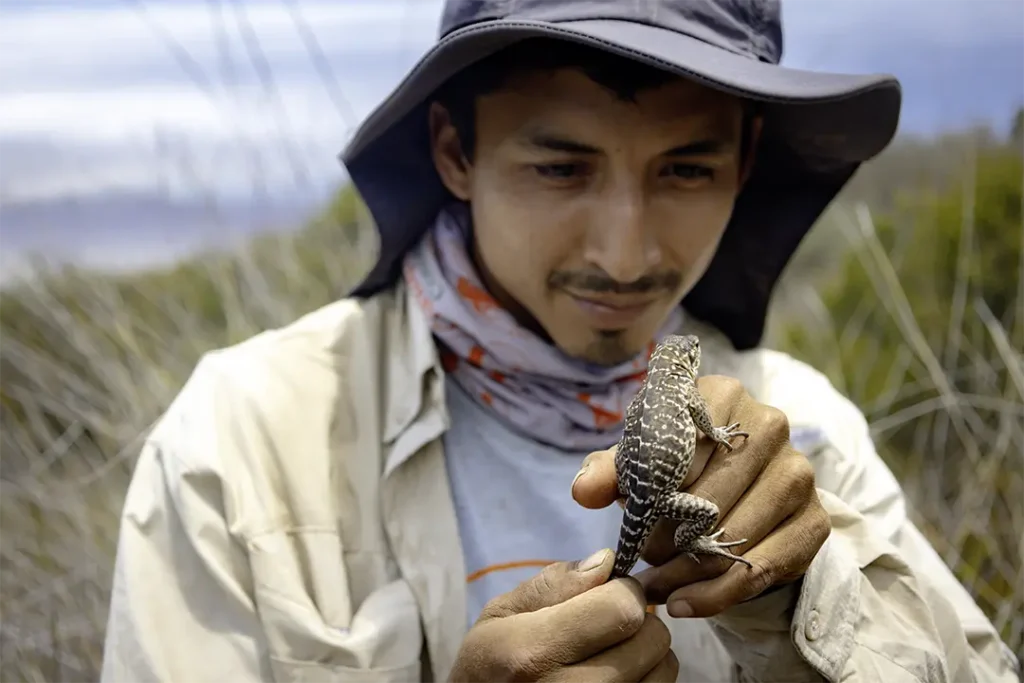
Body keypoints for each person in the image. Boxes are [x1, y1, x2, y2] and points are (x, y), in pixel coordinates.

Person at [100, 0, 1020, 681]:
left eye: (687, 168)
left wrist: (796, 595)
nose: (625, 253)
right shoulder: (242, 436)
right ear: (454, 152)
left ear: (744, 164)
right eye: (560, 165)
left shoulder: (808, 428)